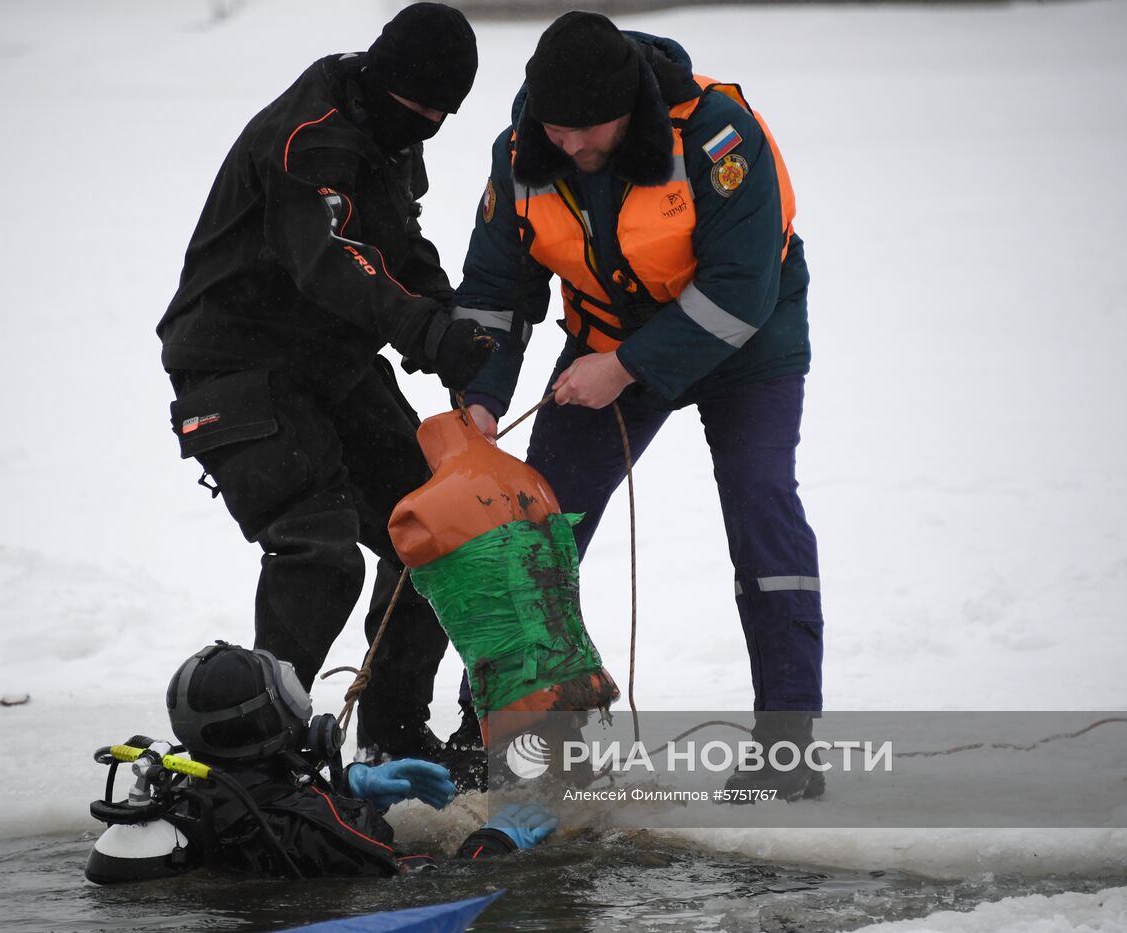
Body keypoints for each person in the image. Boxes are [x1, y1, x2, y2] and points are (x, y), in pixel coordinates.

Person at [450, 12, 825, 799]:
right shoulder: (524, 152)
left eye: (591, 129)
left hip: (746, 345)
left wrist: (626, 368)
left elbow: (740, 291)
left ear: (632, 105)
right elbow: (495, 289)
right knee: (539, 527)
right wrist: (480, 398)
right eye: (559, 129)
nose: (576, 145)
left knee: (761, 504)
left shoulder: (720, 136)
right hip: (604, 339)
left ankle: (787, 748)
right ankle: (515, 734)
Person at [155, 3, 494, 765]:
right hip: (233, 364)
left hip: (329, 362)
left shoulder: (388, 130)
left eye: (444, 117)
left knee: (437, 534)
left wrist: (446, 319)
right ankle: (260, 754)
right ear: (382, 81)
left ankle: (394, 733)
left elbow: (395, 242)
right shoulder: (308, 138)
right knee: (321, 550)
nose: (428, 126)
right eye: (419, 111)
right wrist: (421, 331)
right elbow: (331, 258)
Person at [85, 643, 558, 883]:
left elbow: (266, 807)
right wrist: (490, 844)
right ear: (269, 724)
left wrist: (350, 784)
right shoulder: (316, 827)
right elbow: (426, 883)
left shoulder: (186, 790)